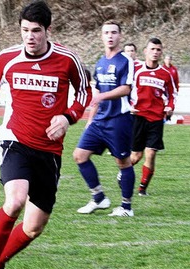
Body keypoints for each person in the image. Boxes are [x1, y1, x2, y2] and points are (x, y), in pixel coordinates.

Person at [0, 0, 91, 269]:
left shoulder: (67, 59)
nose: (29, 36)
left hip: (49, 150)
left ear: (47, 30)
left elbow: (85, 91)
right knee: (15, 199)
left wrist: (68, 117)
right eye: (24, 30)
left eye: (35, 30)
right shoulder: (7, 58)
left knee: (34, 227)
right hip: (14, 140)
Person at [73, 20, 135, 217]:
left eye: (114, 32)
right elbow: (97, 93)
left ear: (120, 36)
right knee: (79, 155)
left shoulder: (125, 61)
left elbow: (126, 88)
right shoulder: (100, 62)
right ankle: (99, 198)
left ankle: (126, 207)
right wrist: (90, 120)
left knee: (123, 162)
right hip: (99, 120)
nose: (110, 36)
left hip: (119, 120)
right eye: (106, 32)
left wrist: (101, 96)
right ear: (101, 36)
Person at [130, 38, 176, 196]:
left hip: (156, 119)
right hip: (138, 117)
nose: (155, 52)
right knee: (136, 156)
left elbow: (172, 94)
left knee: (151, 153)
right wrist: (129, 105)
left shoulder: (165, 74)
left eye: (158, 50)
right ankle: (124, 173)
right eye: (152, 49)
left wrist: (170, 106)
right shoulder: (136, 71)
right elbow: (128, 91)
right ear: (145, 51)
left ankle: (142, 188)